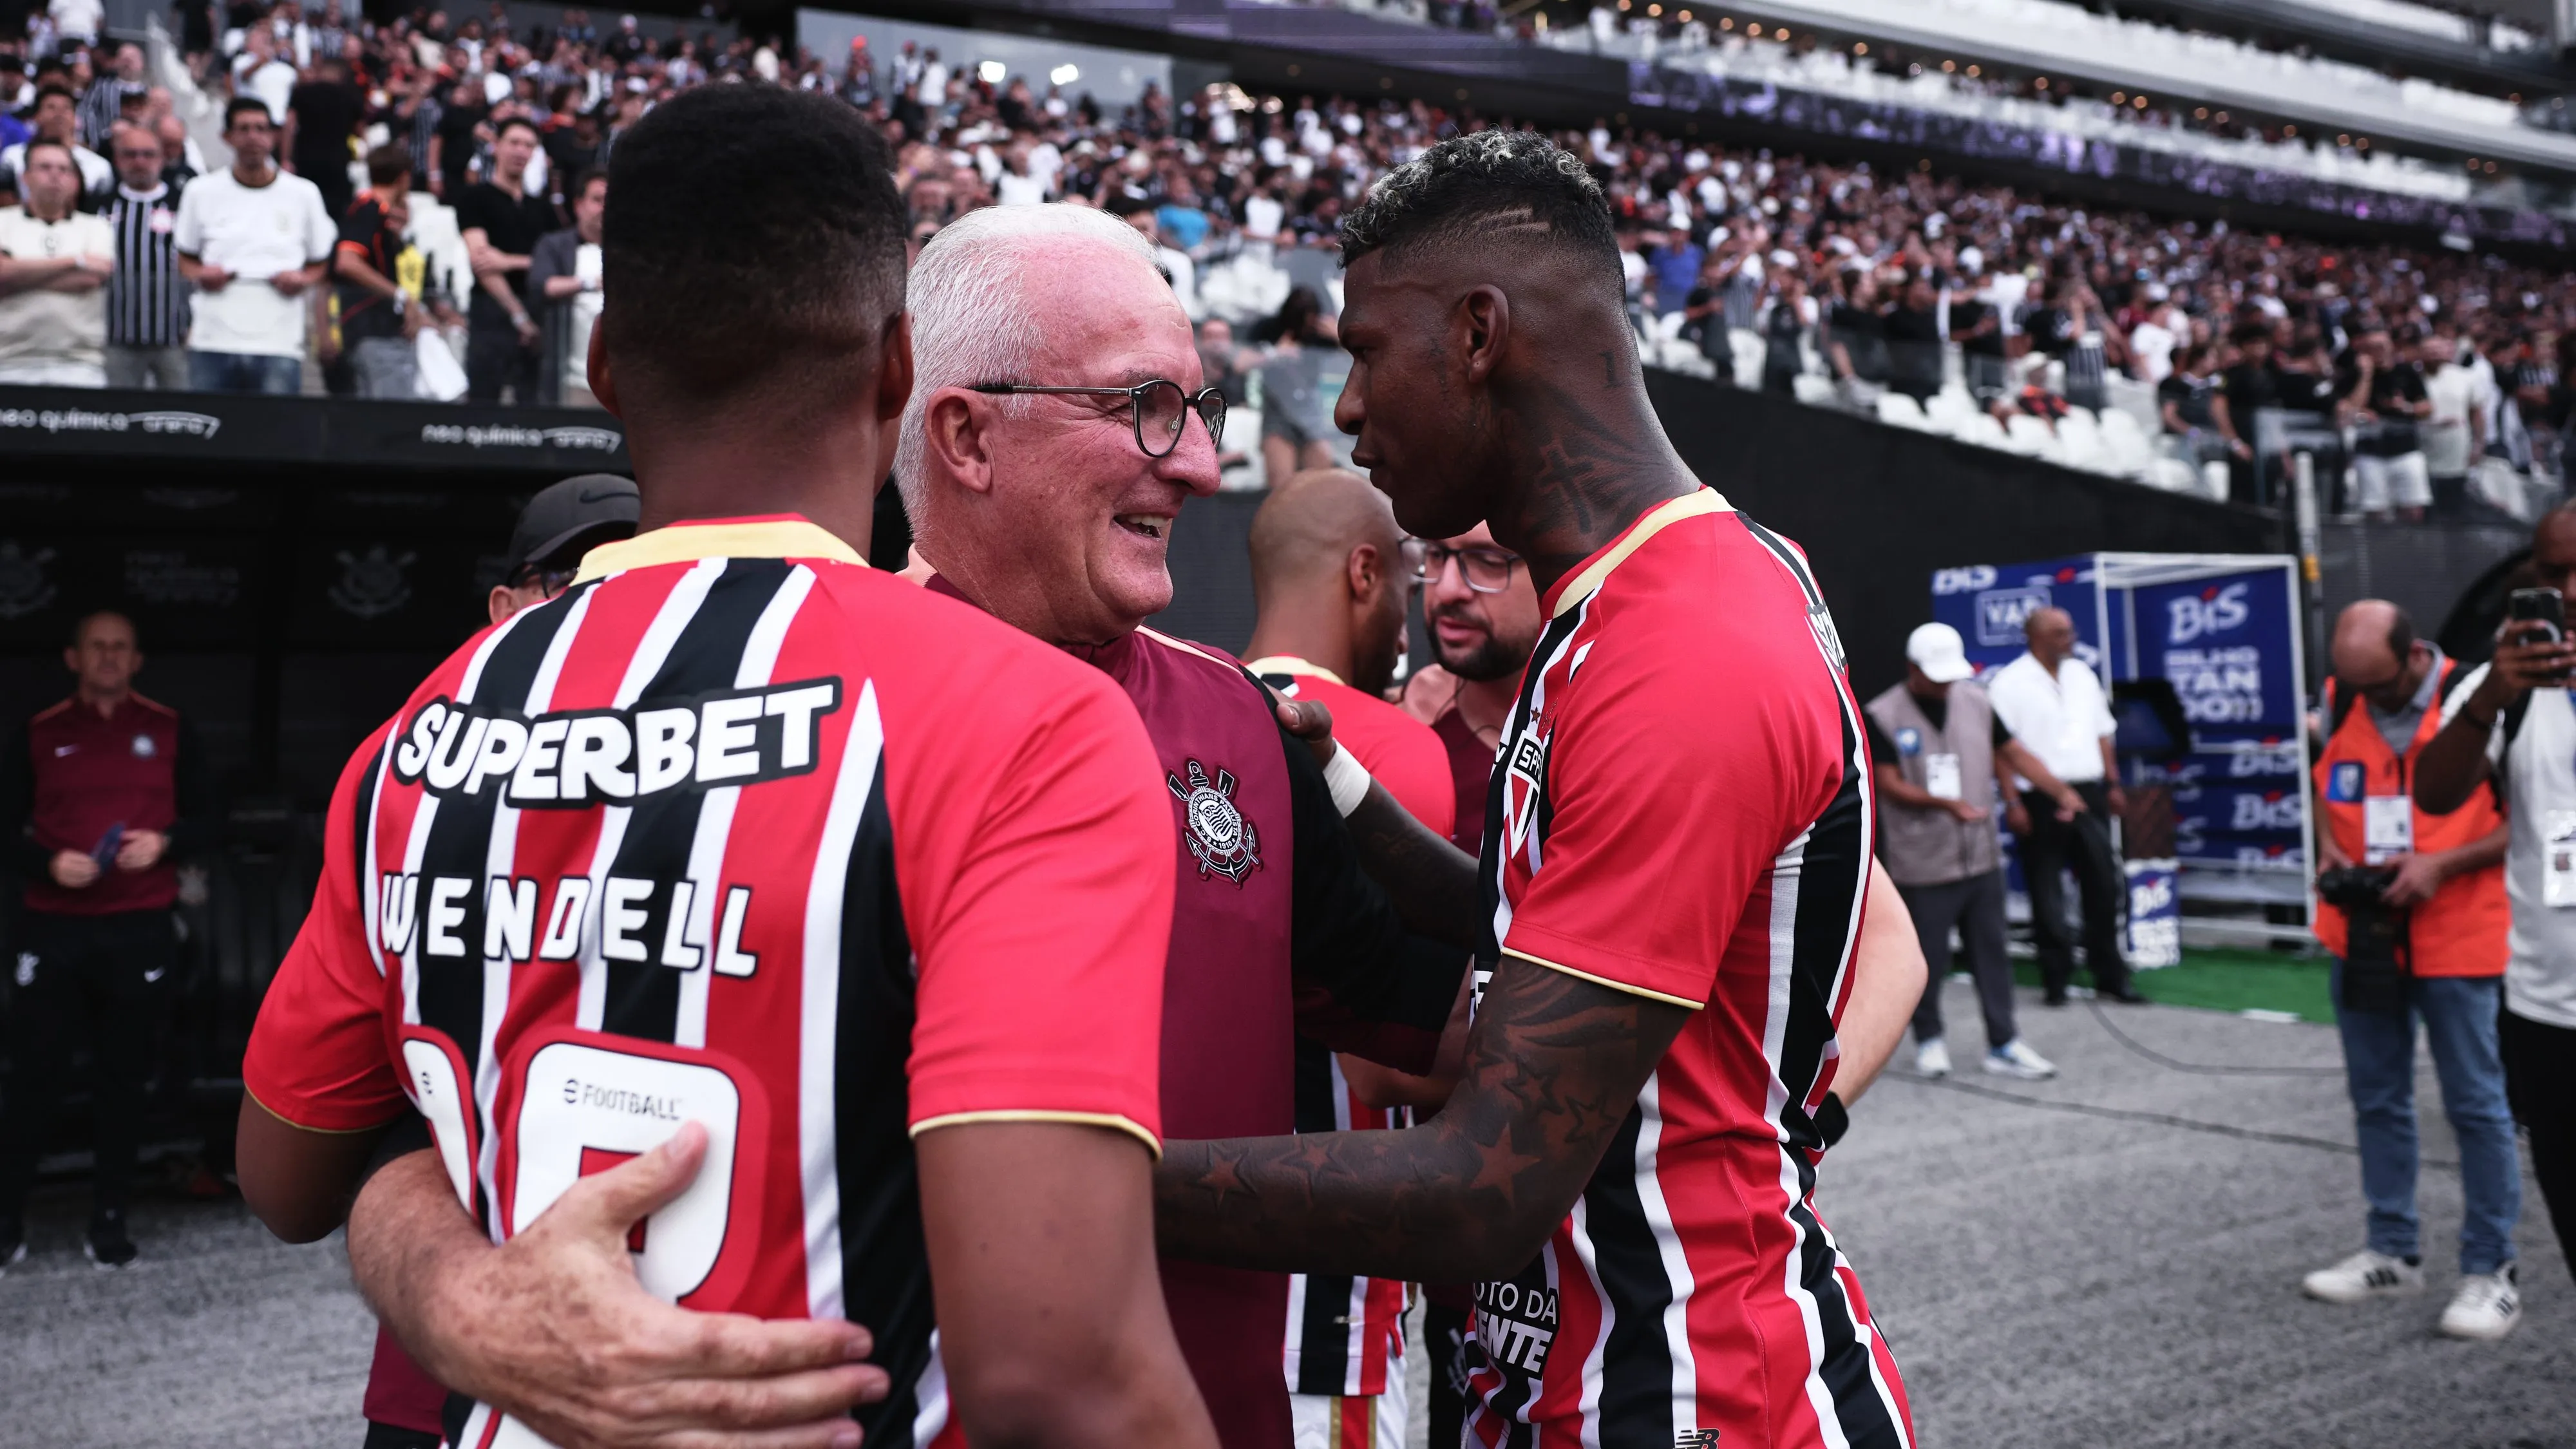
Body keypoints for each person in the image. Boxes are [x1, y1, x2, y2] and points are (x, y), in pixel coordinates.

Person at [231, 85, 1221, 1449]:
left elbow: (285, 1172)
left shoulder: (423, 732)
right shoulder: (1024, 728)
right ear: (895, 370)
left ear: (603, 370)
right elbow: (1062, 1381)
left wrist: (454, 1286)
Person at [1151, 128, 1927, 1449]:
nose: (1343, 411)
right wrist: (1329, 779)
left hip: (1692, 1396)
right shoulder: (1621, 601)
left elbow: (1480, 1186)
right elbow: (1530, 919)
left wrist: (1055, 1166)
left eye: (1362, 353)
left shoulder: (1684, 648)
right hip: (1560, 1379)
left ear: (1473, 334)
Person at [348, 471, 642, 1449]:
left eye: (628, 570)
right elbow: (293, 1154)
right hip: (449, 1360)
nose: (600, 603)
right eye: (572, 577)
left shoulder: (782, 778)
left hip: (676, 1345)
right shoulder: (412, 776)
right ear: (506, 607)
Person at [1241, 467, 1455, 1449]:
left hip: (1191, 1284)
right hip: (1326, 1312)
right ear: (1365, 573)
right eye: (1411, 583)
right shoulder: (1388, 747)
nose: (1415, 613)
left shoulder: (1183, 713)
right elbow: (1392, 1054)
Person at [2300, 600, 2521, 1339]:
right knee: (2377, 1098)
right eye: (2353, 686)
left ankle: (2491, 1269)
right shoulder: (2340, 698)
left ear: (2414, 656)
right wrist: (2330, 848)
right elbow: (2321, 775)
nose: (2367, 700)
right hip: (2360, 933)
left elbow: (2539, 813)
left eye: (2381, 686)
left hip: (2457, 935)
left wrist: (2441, 864)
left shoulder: (2482, 695)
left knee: (2476, 1105)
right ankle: (2392, 1250)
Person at [0, 612, 214, 1273]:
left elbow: (212, 817)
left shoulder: (171, 727)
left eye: (122, 647)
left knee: (124, 1079)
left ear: (137, 659)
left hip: (139, 927)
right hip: (54, 927)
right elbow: (5, 830)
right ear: (73, 657)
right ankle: (8, 1222)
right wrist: (46, 864)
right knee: (33, 1079)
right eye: (98, 647)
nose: (110, 657)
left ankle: (110, 1220)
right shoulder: (39, 732)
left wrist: (168, 843)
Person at [1393, 516, 1543, 1448]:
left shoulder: (1617, 718)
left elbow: (1888, 938)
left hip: (1648, 1235)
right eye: (1435, 559)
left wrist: (1786, 1131)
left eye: (1487, 561)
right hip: (1473, 1247)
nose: (1448, 587)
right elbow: (1384, 1059)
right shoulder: (1407, 739)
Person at [2416, 502, 2576, 1294]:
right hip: (2548, 1017)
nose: (2569, 589)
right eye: (2552, 573)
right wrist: (2486, 700)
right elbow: (2435, 794)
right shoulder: (2502, 683)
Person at [1866, 621, 2074, 1081]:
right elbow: (1887, 782)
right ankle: (1930, 1040)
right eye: (1935, 675)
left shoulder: (1977, 701)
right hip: (1923, 861)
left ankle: (2003, 1042)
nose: (1945, 685)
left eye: (1950, 675)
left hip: (1980, 857)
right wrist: (1943, 804)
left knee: (1991, 952)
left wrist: (2060, 792)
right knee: (1925, 960)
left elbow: (2014, 754)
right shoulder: (1882, 713)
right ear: (1912, 668)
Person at [1988, 606, 2142, 1006]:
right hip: (2038, 797)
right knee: (2046, 888)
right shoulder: (2008, 683)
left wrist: (2112, 783)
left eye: (2070, 630)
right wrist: (2013, 801)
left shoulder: (2083, 674)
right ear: (2035, 637)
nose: (2069, 638)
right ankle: (2056, 979)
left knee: (2104, 885)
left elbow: (2103, 733)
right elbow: (2002, 750)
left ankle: (2110, 975)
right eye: (2059, 632)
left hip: (2088, 789)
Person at [174, 97, 334, 394]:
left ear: (273, 136)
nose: (253, 137)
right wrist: (202, 275)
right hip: (213, 338)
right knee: (210, 432)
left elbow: (321, 263)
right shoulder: (200, 191)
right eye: (244, 129)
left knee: (275, 435)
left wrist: (302, 279)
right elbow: (185, 260)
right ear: (227, 137)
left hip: (280, 341)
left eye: (261, 129)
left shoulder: (303, 194)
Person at [456, 115, 557, 403]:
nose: (521, 151)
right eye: (514, 143)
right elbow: (483, 262)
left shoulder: (543, 209)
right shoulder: (475, 198)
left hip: (539, 316)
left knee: (535, 407)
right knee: (483, 408)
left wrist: (510, 261)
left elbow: (556, 264)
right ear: (496, 147)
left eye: (529, 146)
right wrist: (519, 316)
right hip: (492, 315)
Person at [0, 137, 113, 385]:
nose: (55, 176)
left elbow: (90, 278)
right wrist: (76, 260)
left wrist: (18, 274)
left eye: (63, 169)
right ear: (25, 177)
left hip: (81, 364)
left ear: (74, 181)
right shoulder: (3, 222)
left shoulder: (95, 227)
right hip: (8, 362)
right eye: (45, 167)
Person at [100, 122, 188, 389]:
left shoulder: (184, 204)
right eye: (130, 154)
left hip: (176, 337)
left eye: (148, 154)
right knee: (119, 417)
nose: (140, 161)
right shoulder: (99, 205)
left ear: (162, 158)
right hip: (116, 336)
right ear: (117, 159)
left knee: (180, 417)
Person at [330, 143, 421, 400]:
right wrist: (401, 297)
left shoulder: (378, 217)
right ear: (404, 178)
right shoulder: (368, 210)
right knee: (389, 419)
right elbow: (347, 262)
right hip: (374, 332)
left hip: (375, 331)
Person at [526, 166, 605, 407]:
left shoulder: (630, 252)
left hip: (617, 384)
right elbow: (544, 285)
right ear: (579, 205)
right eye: (597, 200)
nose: (605, 208)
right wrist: (592, 282)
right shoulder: (555, 245)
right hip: (569, 381)